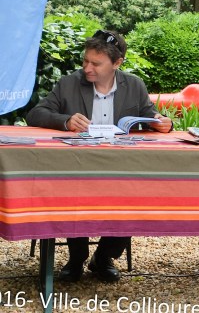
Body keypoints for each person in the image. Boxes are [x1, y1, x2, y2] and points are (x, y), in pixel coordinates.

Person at [26, 29, 172, 283]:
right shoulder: (70, 83)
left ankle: (104, 257)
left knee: (137, 196)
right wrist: (66, 120)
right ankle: (76, 258)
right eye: (85, 61)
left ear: (117, 63)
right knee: (74, 193)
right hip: (78, 166)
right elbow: (36, 114)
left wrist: (162, 122)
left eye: (95, 63)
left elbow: (152, 115)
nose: (87, 68)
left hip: (122, 168)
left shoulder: (134, 85)